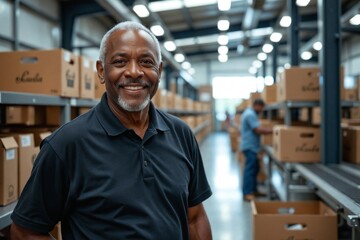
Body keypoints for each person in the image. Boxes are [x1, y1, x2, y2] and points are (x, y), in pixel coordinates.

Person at [11, 21, 212, 240]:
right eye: (120, 61)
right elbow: (25, 231)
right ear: (101, 71)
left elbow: (195, 217)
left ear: (159, 71)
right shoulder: (66, 145)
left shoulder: (181, 134)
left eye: (146, 62)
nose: (134, 72)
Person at [240, 98, 272, 201]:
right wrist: (273, 131)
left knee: (255, 169)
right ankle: (247, 193)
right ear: (257, 105)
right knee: (250, 170)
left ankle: (253, 190)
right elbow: (257, 129)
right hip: (250, 147)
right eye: (262, 107)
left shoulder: (250, 113)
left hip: (252, 146)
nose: (262, 110)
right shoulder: (250, 114)